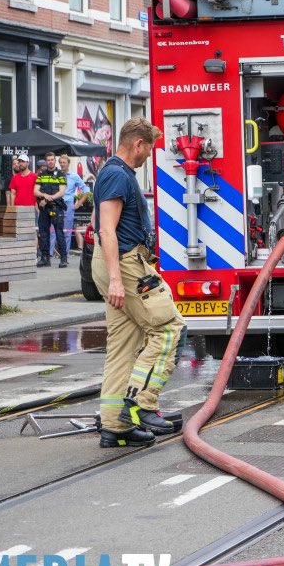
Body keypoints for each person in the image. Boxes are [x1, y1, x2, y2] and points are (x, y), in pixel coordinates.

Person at [92, 118, 186, 449]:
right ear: (138, 145)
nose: (149, 155)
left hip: (118, 263)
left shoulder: (112, 172)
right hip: (125, 265)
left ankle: (114, 426)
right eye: (149, 149)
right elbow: (107, 229)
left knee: (123, 344)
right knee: (169, 328)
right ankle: (142, 403)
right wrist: (117, 279)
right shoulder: (118, 174)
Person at [34, 153, 69, 267]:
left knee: (59, 233)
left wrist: (48, 198)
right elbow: (35, 191)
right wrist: (45, 195)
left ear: (55, 161)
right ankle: (45, 258)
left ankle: (63, 258)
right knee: (43, 233)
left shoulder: (61, 174)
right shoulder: (41, 174)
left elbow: (61, 192)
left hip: (56, 207)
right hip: (44, 208)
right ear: (45, 161)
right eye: (48, 160)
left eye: (52, 160)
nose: (50, 162)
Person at [60, 155, 91, 249]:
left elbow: (86, 190)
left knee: (67, 231)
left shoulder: (74, 176)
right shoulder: (56, 174)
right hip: (56, 203)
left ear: (68, 163)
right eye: (60, 162)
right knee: (53, 231)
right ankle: (51, 254)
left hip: (68, 204)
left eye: (64, 162)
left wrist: (78, 203)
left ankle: (65, 254)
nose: (62, 164)